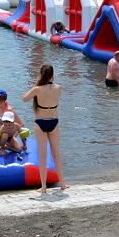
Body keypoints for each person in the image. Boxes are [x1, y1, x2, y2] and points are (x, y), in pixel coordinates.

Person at [23, 64, 68, 194]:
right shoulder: (58, 88)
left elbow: (24, 98)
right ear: (52, 75)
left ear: (41, 74)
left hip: (40, 122)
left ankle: (43, 187)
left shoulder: (37, 89)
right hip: (54, 121)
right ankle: (62, 183)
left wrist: (36, 84)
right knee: (56, 154)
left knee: (42, 156)